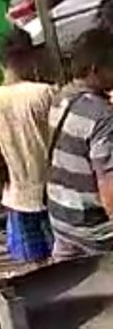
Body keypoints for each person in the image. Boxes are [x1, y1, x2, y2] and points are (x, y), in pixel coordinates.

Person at [0, 27, 54, 265]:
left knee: (38, 269)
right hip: (52, 194)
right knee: (71, 264)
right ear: (29, 57)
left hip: (16, 195)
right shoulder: (44, 93)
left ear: (0, 62)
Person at [47, 26, 113, 259]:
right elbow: (109, 188)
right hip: (93, 228)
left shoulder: (61, 97)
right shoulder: (102, 116)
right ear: (95, 70)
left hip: (60, 217)